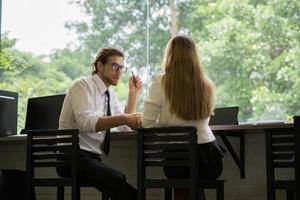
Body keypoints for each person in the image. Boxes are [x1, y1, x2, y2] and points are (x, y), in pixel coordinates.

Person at [142, 35, 224, 200]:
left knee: (182, 176)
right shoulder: (206, 83)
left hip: (178, 160)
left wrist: (163, 124)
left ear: (170, 54)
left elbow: (146, 123)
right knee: (192, 181)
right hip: (209, 159)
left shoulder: (161, 82)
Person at [57, 48, 142, 200]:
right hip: (71, 158)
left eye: (122, 68)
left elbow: (125, 126)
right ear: (100, 66)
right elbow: (85, 123)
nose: (119, 72)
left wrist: (133, 93)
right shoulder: (82, 86)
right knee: (117, 180)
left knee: (124, 187)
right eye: (115, 66)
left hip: (90, 159)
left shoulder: (110, 94)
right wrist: (124, 118)